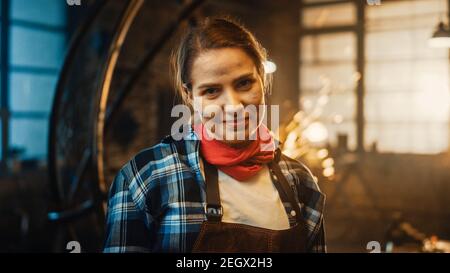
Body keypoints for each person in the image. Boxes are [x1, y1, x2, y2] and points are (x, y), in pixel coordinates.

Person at [103, 17, 326, 253]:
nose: (233, 107)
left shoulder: (299, 181)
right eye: (211, 91)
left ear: (263, 78)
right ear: (189, 96)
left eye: (244, 83)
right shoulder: (144, 178)